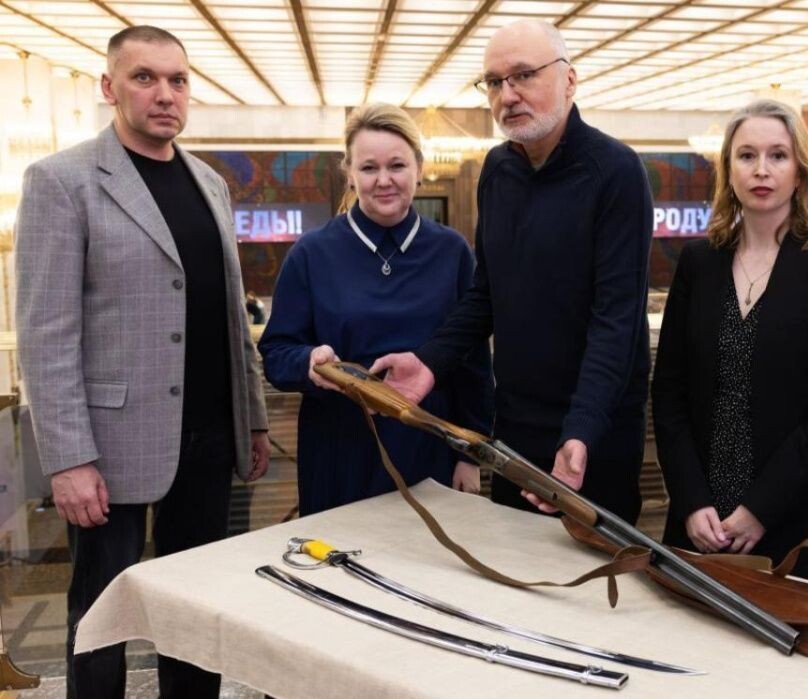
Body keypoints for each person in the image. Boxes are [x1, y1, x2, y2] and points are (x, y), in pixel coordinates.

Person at [15, 26, 270, 699]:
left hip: (210, 440)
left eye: (178, 80)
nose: (164, 94)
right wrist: (68, 457)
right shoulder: (62, 181)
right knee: (101, 616)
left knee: (196, 608)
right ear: (109, 87)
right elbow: (46, 331)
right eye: (144, 78)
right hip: (110, 449)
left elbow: (229, 316)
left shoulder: (210, 183)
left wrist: (255, 419)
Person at [370, 20, 653, 525]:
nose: (508, 95)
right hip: (516, 430)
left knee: (593, 587)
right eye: (495, 82)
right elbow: (487, 295)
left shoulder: (617, 171)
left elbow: (617, 320)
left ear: (569, 80)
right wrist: (430, 362)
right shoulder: (497, 170)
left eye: (523, 75)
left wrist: (582, 430)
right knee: (515, 579)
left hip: (594, 431)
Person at [650, 100, 808, 582]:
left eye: (778, 156)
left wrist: (760, 507)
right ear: (728, 169)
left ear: (800, 172)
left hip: (794, 514)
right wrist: (690, 500)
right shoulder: (698, 263)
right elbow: (669, 395)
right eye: (746, 156)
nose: (761, 170)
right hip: (700, 517)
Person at [258, 103, 492, 516]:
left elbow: (472, 362)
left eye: (397, 165)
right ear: (348, 172)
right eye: (369, 168)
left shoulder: (451, 251)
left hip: (429, 447)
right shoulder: (312, 253)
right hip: (338, 449)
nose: (384, 181)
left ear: (419, 168)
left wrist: (470, 454)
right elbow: (276, 353)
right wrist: (308, 363)